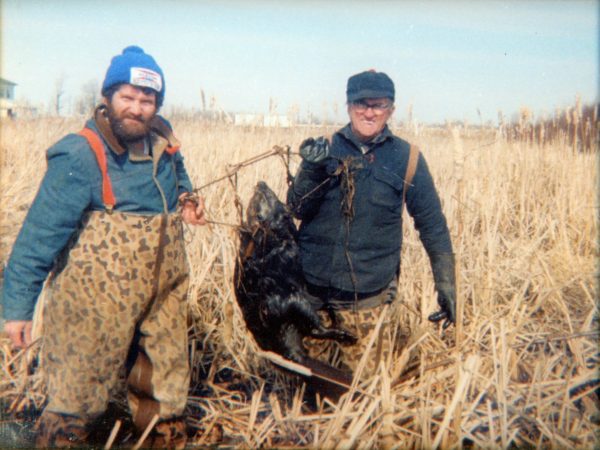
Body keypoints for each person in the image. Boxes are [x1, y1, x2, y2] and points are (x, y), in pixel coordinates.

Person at [1, 45, 206, 448]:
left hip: (163, 295)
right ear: (107, 98)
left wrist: (186, 199)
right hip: (91, 305)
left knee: (165, 390)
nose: (137, 108)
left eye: (147, 100)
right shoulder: (80, 152)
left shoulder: (165, 141)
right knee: (77, 397)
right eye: (127, 97)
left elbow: (179, 176)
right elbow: (38, 236)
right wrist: (17, 310)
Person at [287, 70, 456, 378]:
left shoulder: (408, 158)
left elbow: (433, 226)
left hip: (367, 300)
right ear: (348, 106)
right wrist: (310, 169)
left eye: (377, 105)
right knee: (308, 385)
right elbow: (296, 208)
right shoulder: (323, 148)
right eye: (360, 103)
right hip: (312, 297)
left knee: (360, 390)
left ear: (391, 109)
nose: (368, 112)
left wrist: (445, 283)